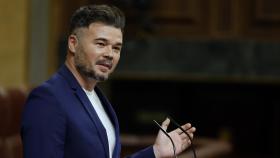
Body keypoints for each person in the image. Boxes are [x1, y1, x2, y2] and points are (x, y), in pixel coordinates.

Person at [21, 4, 196, 158]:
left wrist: (156, 152)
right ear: (73, 44)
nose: (110, 54)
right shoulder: (48, 99)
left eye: (116, 48)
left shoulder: (98, 97)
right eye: (101, 43)